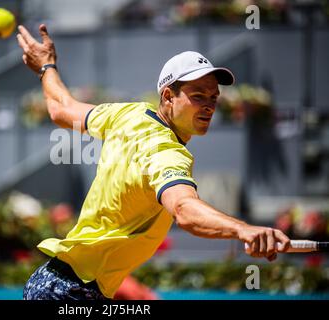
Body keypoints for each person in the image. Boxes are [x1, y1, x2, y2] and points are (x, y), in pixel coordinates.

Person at [16, 24, 291, 300]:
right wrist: (242, 229)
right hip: (73, 292)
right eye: (197, 96)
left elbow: (60, 108)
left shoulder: (130, 114)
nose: (209, 105)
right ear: (168, 97)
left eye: (213, 97)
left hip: (53, 283)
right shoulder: (166, 152)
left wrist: (46, 66)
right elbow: (184, 209)